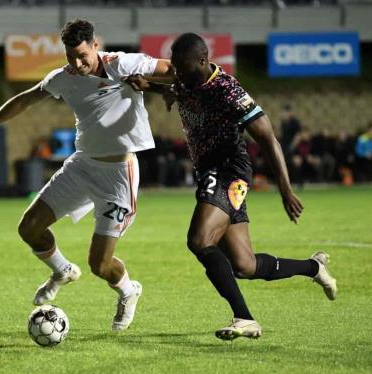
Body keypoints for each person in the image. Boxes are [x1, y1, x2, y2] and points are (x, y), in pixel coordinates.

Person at [0, 19, 171, 331]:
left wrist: (158, 86)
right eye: (71, 57)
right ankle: (62, 270)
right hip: (82, 166)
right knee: (29, 227)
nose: (78, 63)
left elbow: (178, 70)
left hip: (118, 176)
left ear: (96, 45)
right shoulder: (64, 77)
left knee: (100, 265)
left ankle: (128, 290)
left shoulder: (123, 65)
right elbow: (24, 100)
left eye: (83, 55)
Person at [124, 33, 337, 340]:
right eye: (176, 69)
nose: (179, 75)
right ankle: (313, 268)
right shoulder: (188, 78)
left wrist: (285, 189)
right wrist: (153, 87)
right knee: (244, 265)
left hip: (228, 171)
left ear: (202, 61)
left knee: (199, 240)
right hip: (210, 173)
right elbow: (181, 90)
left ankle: (244, 318)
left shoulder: (228, 90)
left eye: (183, 69)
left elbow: (267, 138)